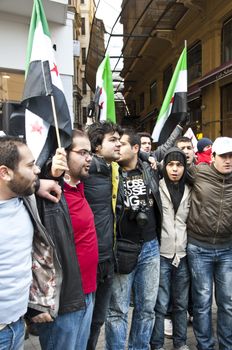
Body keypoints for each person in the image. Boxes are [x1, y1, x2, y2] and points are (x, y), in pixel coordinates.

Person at [33, 129, 98, 350]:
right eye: (82, 152)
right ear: (62, 154)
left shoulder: (79, 187)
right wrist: (51, 175)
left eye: (90, 153)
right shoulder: (50, 196)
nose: (89, 158)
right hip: (64, 300)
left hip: (87, 292)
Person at [0, 136, 61, 350]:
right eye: (30, 165)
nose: (36, 170)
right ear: (5, 172)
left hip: (17, 325)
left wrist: (34, 306)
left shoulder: (25, 199)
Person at [105, 128, 162, 350]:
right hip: (122, 248)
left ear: (136, 148)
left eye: (123, 144)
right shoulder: (110, 171)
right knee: (117, 310)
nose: (117, 147)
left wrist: (149, 157)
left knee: (147, 308)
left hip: (150, 247)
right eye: (115, 143)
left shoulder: (150, 169)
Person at [187, 136, 232, 350]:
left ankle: (227, 345)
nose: (228, 160)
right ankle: (204, 346)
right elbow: (167, 163)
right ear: (212, 156)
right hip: (199, 248)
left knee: (228, 304)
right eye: (223, 156)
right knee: (202, 304)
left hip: (227, 249)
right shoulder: (199, 172)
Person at [84, 121, 122, 350]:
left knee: (97, 321)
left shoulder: (112, 170)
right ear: (97, 147)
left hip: (108, 260)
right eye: (113, 140)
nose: (119, 144)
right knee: (84, 322)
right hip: (90, 263)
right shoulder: (85, 174)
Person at [150, 147, 191, 350]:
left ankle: (181, 343)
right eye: (170, 165)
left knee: (181, 304)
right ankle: (156, 344)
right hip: (161, 253)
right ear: (164, 167)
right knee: (160, 304)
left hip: (183, 254)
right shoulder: (156, 187)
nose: (175, 169)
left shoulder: (191, 189)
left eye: (179, 165)